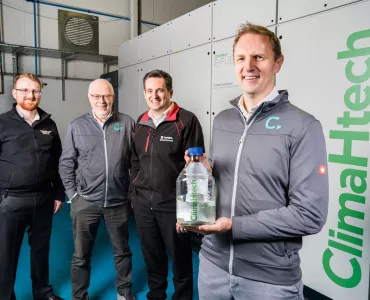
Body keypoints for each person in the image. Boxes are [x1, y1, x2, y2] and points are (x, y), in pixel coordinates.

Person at [182, 24, 329, 300]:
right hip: (212, 266)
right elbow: (224, 179)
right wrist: (202, 171)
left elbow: (310, 215)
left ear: (278, 63)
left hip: (269, 280)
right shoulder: (223, 120)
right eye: (241, 58)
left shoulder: (303, 126)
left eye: (258, 57)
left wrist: (234, 226)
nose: (248, 66)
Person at [130, 70, 204, 300]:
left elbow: (196, 168)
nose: (155, 95)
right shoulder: (140, 123)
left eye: (160, 90)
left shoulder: (187, 121)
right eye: (150, 91)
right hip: (144, 205)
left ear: (170, 92)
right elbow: (134, 161)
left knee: (180, 258)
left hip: (173, 206)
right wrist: (136, 192)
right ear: (144, 94)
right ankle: (156, 295)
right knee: (152, 256)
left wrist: (189, 213)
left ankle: (182, 297)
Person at [59, 79, 135, 300]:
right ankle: (79, 296)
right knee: (81, 255)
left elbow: (136, 161)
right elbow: (66, 163)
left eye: (107, 96)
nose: (102, 101)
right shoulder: (76, 126)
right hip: (86, 202)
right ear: (89, 97)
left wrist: (130, 192)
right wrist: (73, 195)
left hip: (118, 202)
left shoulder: (127, 123)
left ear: (113, 97)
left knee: (122, 251)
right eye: (96, 96)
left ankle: (124, 292)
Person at [0, 73, 64, 300]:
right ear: (15, 93)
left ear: (40, 93)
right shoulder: (2, 122)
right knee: (6, 254)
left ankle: (42, 292)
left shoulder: (49, 124)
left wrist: (58, 193)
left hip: (43, 198)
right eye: (25, 90)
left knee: (41, 250)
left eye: (35, 91)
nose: (30, 95)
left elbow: (57, 161)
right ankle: (5, 295)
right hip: (10, 200)